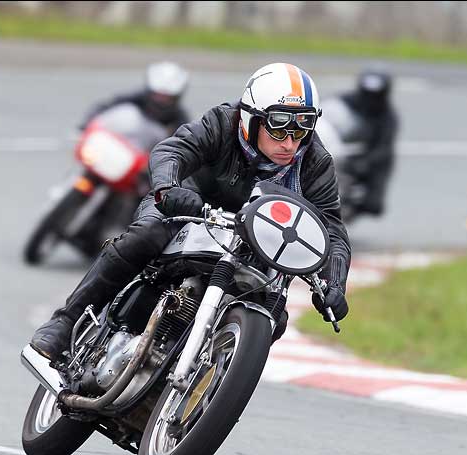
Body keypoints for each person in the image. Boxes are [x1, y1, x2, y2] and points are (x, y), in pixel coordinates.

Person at [29, 63, 351, 364]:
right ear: (252, 119)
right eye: (279, 127)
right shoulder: (223, 123)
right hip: (191, 209)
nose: (291, 141)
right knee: (145, 235)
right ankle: (65, 321)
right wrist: (169, 189)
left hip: (258, 241)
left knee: (273, 316)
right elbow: (173, 149)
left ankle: (202, 388)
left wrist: (335, 283)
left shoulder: (315, 162)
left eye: (303, 126)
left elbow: (331, 228)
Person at [337, 67, 399, 216]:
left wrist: (364, 162)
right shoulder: (346, 102)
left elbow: (384, 148)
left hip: (368, 157)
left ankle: (347, 212)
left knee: (373, 205)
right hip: (340, 146)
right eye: (368, 93)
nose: (371, 99)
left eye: (375, 95)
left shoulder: (388, 119)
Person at [79, 61, 191, 134]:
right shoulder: (132, 99)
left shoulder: (181, 119)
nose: (161, 101)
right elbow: (103, 107)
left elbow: (186, 144)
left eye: (167, 97)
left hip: (146, 163)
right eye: (158, 95)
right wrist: (86, 126)